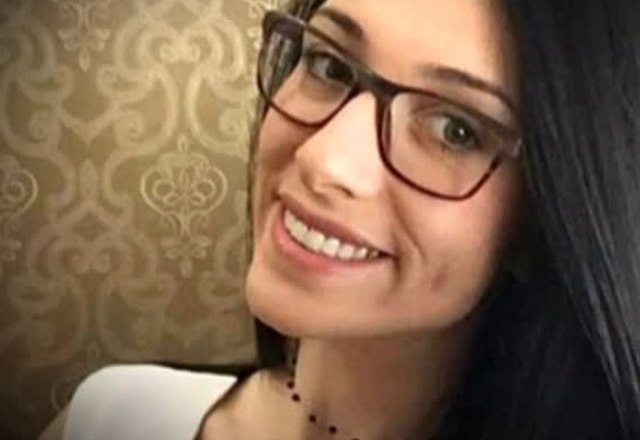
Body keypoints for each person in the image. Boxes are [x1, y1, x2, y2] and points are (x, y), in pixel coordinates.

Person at [39, 0, 640, 439]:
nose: (325, 160)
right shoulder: (113, 417)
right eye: (329, 65)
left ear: (542, 221)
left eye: (455, 129)